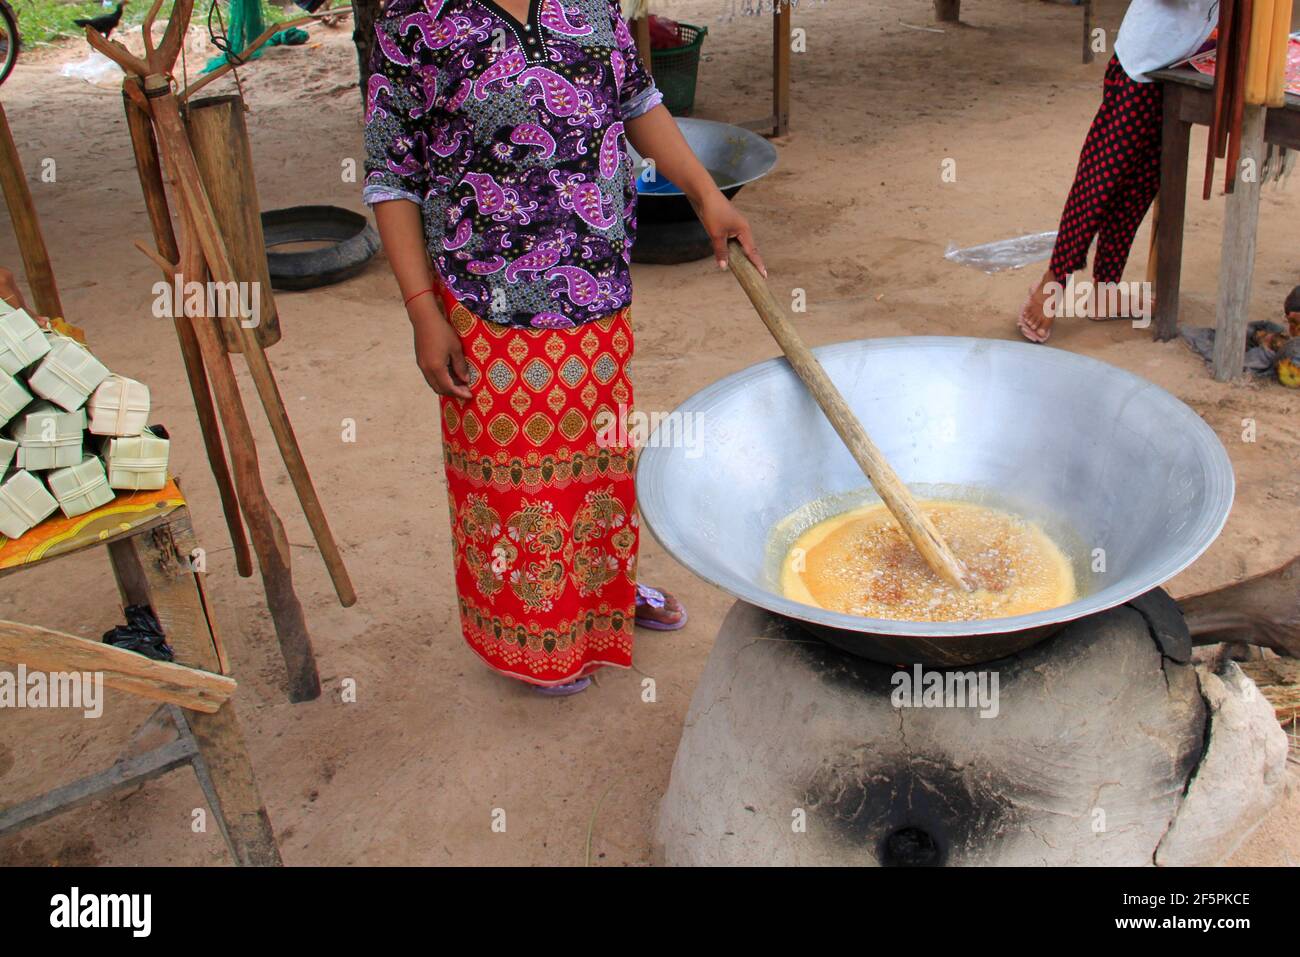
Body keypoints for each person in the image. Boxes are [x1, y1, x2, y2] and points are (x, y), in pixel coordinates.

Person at [362, 0, 764, 695]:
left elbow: (637, 100)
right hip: (486, 300)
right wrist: (422, 311)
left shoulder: (589, 3)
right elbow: (392, 175)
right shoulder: (413, 20)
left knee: (596, 463)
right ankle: (532, 639)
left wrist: (706, 196)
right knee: (515, 478)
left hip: (595, 291)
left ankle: (604, 599)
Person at [1019, 0, 1219, 342]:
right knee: (1100, 179)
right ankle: (1054, 281)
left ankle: (1105, 289)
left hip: (1178, 63)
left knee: (1139, 186)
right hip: (1141, 64)